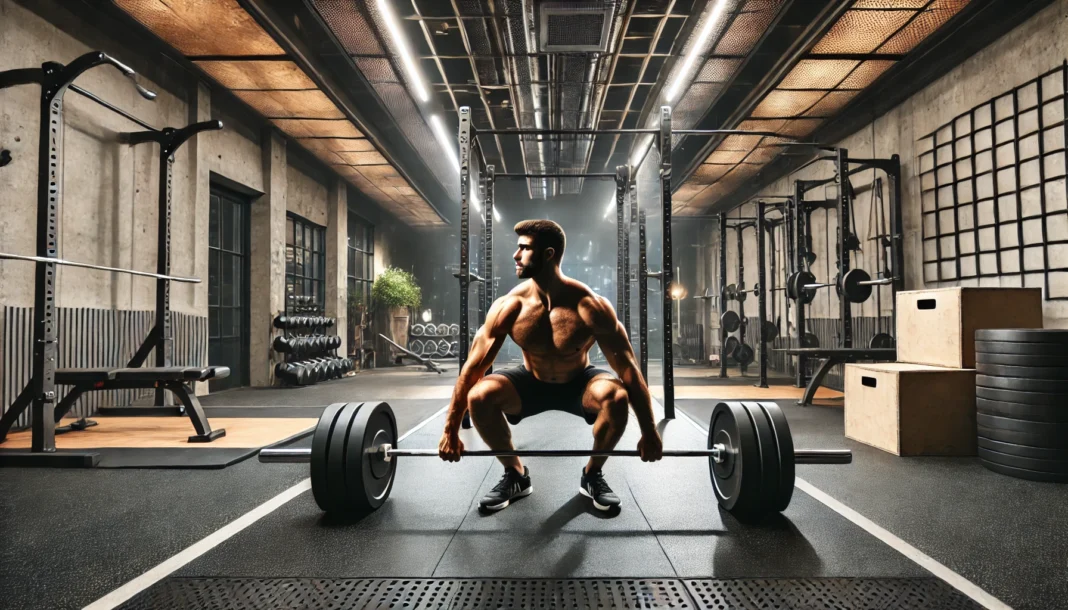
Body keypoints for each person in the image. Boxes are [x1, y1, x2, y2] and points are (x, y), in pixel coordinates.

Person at [438, 219, 663, 512]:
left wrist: (649, 431)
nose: (516, 256)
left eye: (524, 248)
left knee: (617, 397)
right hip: (529, 382)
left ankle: (592, 474)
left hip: (579, 382)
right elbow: (473, 368)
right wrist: (450, 429)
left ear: (548, 254)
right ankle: (515, 474)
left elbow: (629, 370)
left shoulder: (590, 306)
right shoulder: (510, 306)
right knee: (479, 395)